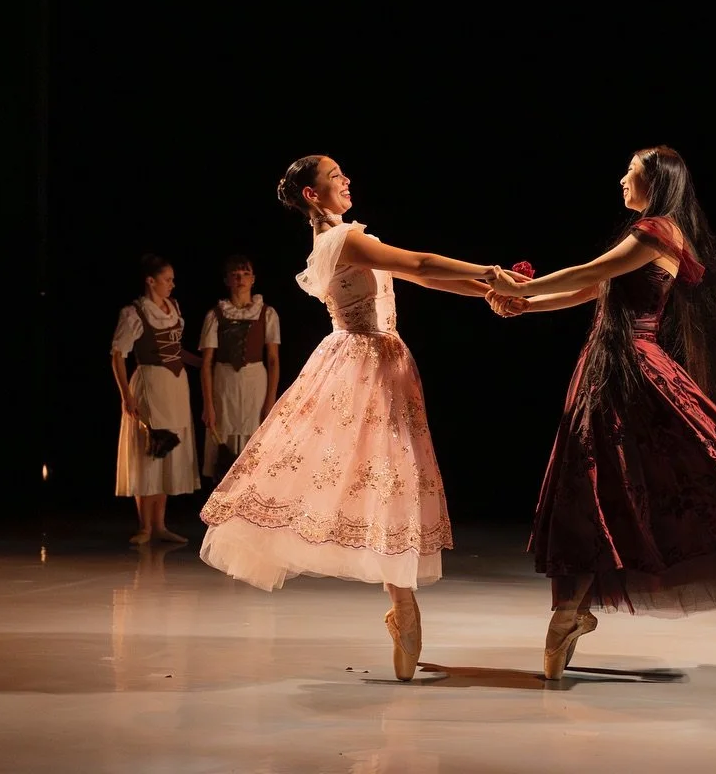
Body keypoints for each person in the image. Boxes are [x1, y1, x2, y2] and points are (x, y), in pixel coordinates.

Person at [485, 145, 716, 679]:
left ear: (655, 181)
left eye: (629, 172)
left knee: (607, 483)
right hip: (605, 369)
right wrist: (525, 304)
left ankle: (570, 610)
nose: (621, 180)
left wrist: (518, 287)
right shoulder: (646, 233)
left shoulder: (659, 232)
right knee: (593, 484)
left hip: (633, 371)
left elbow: (589, 270)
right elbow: (594, 288)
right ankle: (570, 611)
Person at [199, 154, 503, 682]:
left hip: (382, 359)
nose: (347, 180)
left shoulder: (345, 239)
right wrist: (491, 274)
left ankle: (403, 607)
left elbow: (424, 280)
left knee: (388, 478)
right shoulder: (341, 242)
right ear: (313, 195)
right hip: (363, 361)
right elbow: (423, 263)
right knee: (386, 476)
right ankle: (404, 607)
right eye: (335, 177)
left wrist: (492, 292)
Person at [111, 254, 202, 545]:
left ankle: (160, 525)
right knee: (148, 451)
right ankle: (145, 526)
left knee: (167, 452)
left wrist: (207, 363)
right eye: (167, 279)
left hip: (175, 386)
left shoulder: (173, 307)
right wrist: (126, 394)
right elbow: (117, 355)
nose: (172, 285)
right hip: (149, 383)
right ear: (151, 281)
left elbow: (175, 349)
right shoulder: (134, 313)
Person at [199, 255, 281, 484]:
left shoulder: (267, 313)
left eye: (245, 274)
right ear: (227, 280)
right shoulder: (215, 315)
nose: (240, 279)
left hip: (255, 382)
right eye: (235, 275)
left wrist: (270, 402)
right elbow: (206, 363)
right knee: (223, 441)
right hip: (225, 383)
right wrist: (208, 405)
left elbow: (273, 360)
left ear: (253, 279)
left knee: (254, 444)